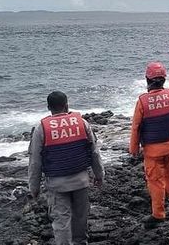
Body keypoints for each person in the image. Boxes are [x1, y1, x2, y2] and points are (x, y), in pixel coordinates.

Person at [29, 91, 104, 245]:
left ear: (49, 108)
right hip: (81, 181)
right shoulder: (82, 123)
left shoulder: (41, 128)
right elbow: (94, 152)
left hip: (57, 185)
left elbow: (35, 161)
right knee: (80, 218)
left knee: (61, 222)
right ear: (67, 105)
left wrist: (34, 187)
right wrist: (99, 175)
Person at [130, 62, 169, 228]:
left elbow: (136, 128)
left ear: (147, 79)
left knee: (155, 182)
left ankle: (158, 214)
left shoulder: (142, 101)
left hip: (152, 151)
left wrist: (133, 149)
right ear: (164, 79)